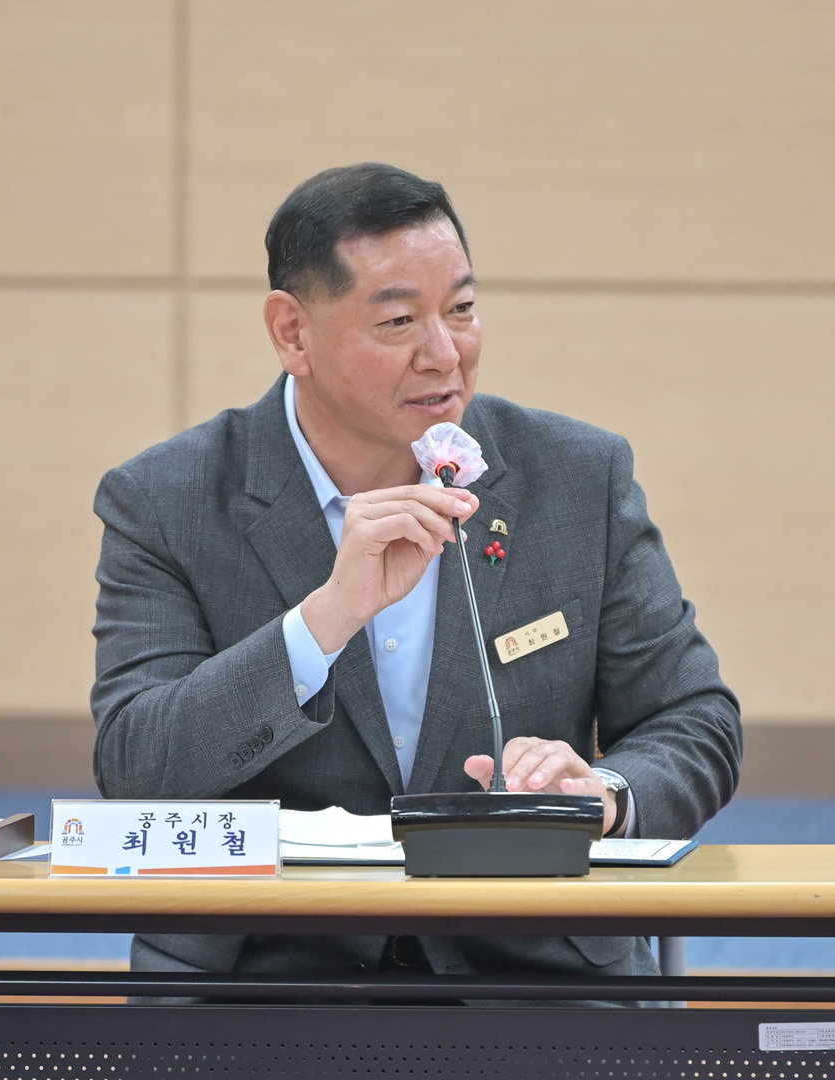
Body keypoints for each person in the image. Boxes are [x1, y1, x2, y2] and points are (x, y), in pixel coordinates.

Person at [90, 162, 742, 994]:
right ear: (292, 333)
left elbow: (693, 719)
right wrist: (323, 622)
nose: (445, 354)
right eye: (398, 321)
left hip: (532, 977)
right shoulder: (168, 500)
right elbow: (137, 766)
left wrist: (599, 794)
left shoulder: (576, 478)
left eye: (460, 310)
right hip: (267, 983)